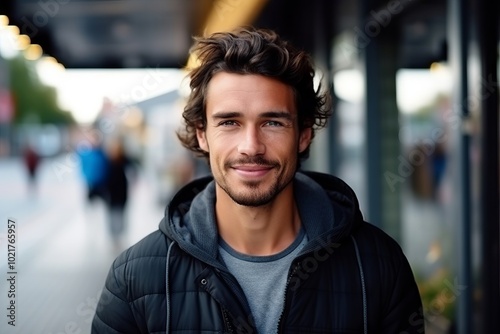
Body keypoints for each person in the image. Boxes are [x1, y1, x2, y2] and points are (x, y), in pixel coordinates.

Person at [92, 27, 424, 333]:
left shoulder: (378, 266)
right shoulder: (134, 278)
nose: (251, 147)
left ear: (304, 135)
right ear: (202, 135)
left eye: (273, 123)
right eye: (229, 123)